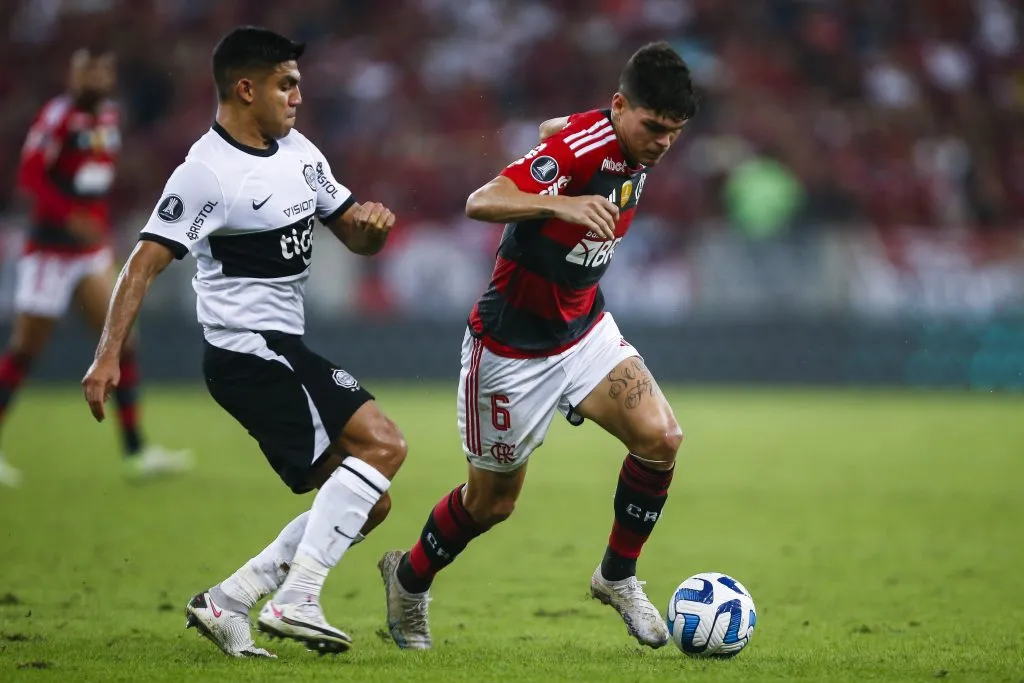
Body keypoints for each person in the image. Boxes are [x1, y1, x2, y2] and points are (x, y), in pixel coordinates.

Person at [81, 26, 406, 658]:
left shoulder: (302, 153)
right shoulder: (205, 174)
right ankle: (298, 599)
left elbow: (354, 235)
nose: (297, 98)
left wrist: (374, 229)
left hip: (282, 346)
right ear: (245, 88)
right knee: (383, 444)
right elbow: (141, 264)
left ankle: (227, 599)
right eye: (286, 85)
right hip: (246, 352)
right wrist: (106, 353)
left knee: (368, 501)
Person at [378, 42, 698, 650]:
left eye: (673, 133)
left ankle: (616, 576)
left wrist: (564, 133)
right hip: (510, 350)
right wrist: (562, 200)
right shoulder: (583, 153)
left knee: (661, 439)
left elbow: (564, 128)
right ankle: (409, 577)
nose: (661, 143)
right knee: (491, 504)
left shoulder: (627, 138)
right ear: (620, 106)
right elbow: (482, 200)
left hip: (583, 331)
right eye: (653, 127)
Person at [0, 46, 191, 487]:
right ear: (74, 74)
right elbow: (30, 176)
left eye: (102, 72)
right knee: (25, 350)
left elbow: (97, 175)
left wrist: (98, 225)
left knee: (122, 340)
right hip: (50, 251)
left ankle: (136, 453)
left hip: (89, 252)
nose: (95, 79)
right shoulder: (57, 117)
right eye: (87, 71)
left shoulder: (108, 117)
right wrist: (68, 214)